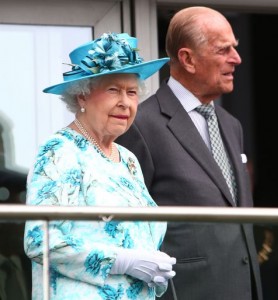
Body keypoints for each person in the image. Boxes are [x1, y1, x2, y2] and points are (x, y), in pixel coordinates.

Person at [117, 7, 263, 300]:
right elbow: (126, 227)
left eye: (234, 47)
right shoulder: (141, 125)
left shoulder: (231, 125)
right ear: (187, 59)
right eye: (224, 50)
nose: (236, 59)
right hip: (185, 291)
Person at [23, 32, 176, 300]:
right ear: (81, 96)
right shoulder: (60, 151)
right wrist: (121, 260)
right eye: (113, 90)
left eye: (131, 92)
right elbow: (40, 240)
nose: (125, 103)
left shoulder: (128, 159)